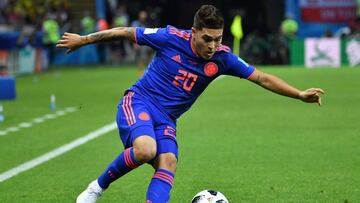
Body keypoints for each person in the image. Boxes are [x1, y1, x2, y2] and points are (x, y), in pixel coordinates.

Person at [56, 5, 324, 203]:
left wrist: (299, 94)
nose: (212, 45)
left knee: (169, 161)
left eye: (218, 39)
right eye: (207, 38)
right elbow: (126, 32)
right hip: (139, 101)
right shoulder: (170, 37)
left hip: (166, 119)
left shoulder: (222, 59)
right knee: (146, 149)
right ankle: (95, 189)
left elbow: (263, 78)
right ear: (194, 32)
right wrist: (85, 39)